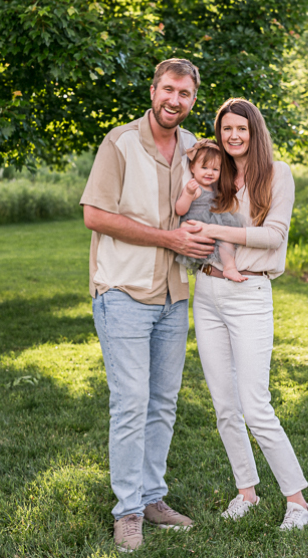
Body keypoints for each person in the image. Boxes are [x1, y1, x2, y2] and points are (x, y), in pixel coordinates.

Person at [80, 58, 216, 553]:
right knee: (131, 404)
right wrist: (168, 237)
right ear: (153, 89)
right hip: (123, 293)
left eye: (185, 94)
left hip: (174, 295)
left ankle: (153, 496)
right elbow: (95, 215)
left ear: (192, 101)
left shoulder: (196, 150)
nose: (174, 101)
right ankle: (128, 511)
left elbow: (211, 205)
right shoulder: (119, 142)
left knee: (163, 403)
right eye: (168, 90)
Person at [183, 98, 308, 531]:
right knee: (224, 405)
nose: (233, 136)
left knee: (255, 405)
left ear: (254, 131)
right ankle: (247, 492)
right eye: (226, 130)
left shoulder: (277, 174)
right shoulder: (215, 173)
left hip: (250, 292)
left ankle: (297, 502)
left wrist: (215, 229)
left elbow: (273, 237)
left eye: (241, 129)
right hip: (208, 290)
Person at [174, 139, 245, 282]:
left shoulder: (213, 188)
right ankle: (228, 267)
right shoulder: (194, 188)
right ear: (193, 168)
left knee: (226, 238)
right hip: (197, 226)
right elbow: (180, 210)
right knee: (223, 238)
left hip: (213, 224)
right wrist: (188, 194)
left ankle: (229, 267)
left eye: (215, 169)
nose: (209, 173)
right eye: (205, 167)